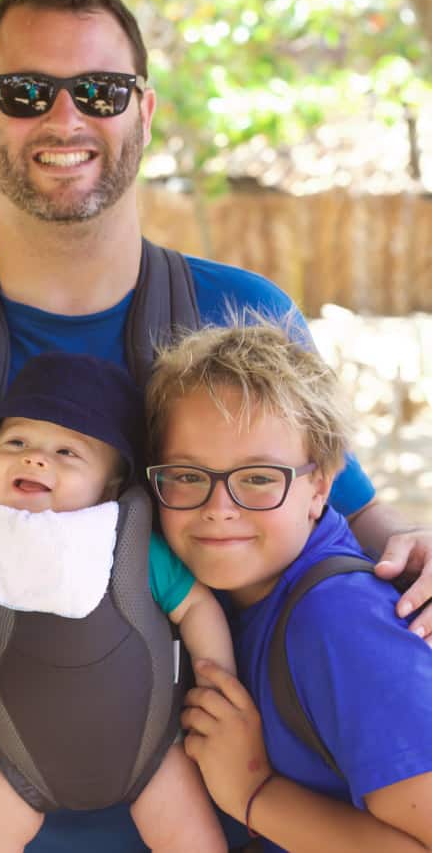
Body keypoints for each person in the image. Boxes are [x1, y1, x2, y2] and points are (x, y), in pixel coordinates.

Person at [0, 0, 430, 853]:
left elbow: (346, 524)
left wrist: (416, 558)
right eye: (25, 91)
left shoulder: (245, 313)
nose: (64, 119)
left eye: (100, 92)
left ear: (143, 110)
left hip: (203, 817)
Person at [0, 351, 234, 853]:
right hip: (20, 762)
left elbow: (196, 606)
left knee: (194, 842)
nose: (35, 458)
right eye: (16, 442)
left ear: (111, 484)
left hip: (150, 753)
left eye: (67, 453)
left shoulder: (130, 544)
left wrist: (217, 680)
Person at [144, 319, 432, 852]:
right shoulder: (226, 601)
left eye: (257, 478)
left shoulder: (340, 622)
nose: (218, 509)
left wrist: (254, 792)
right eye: (186, 476)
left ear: (320, 485)